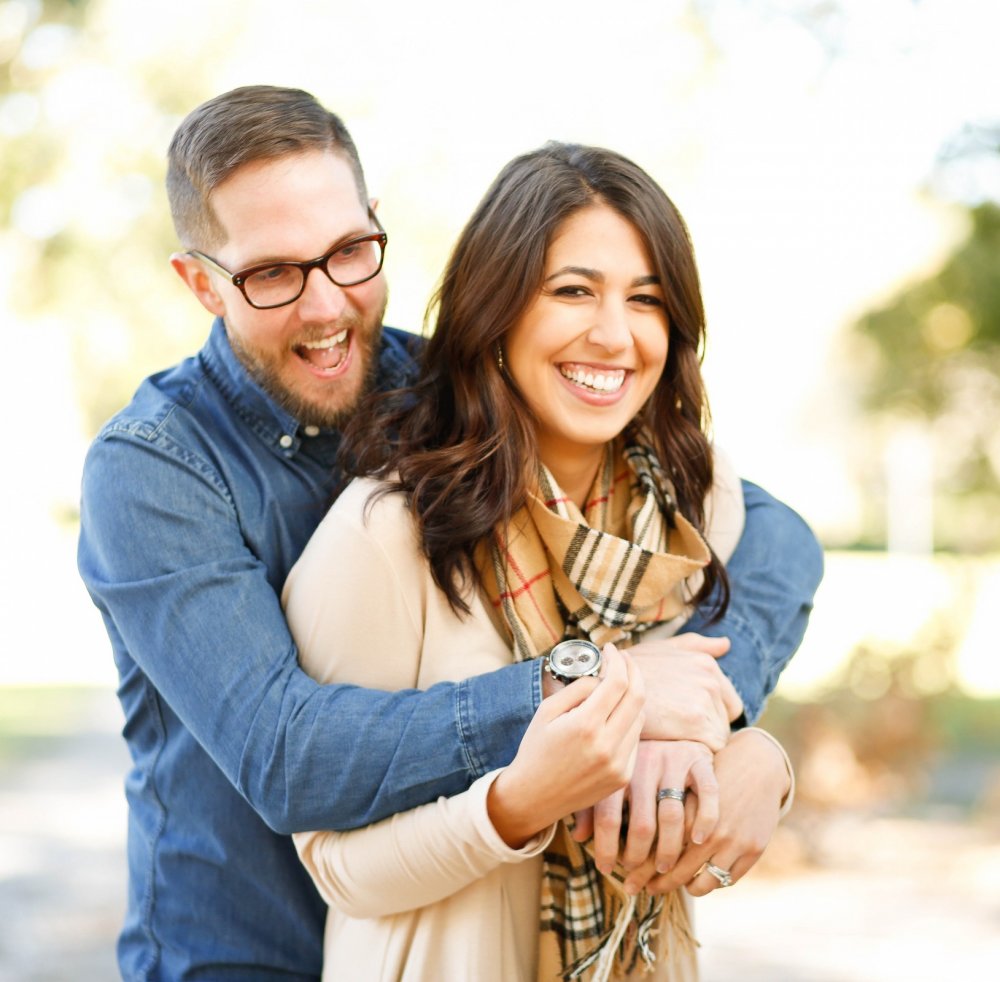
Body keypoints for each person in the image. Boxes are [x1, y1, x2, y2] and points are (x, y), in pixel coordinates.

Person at [77, 85, 823, 981]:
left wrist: (713, 720)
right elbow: (287, 753)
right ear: (200, 281)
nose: (325, 307)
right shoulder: (155, 468)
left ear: (375, 228)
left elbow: (774, 536)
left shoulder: (447, 390)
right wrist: (588, 690)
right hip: (239, 953)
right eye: (272, 273)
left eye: (350, 252)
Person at [282, 142, 798, 981]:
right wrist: (519, 801)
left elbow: (708, 696)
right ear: (499, 312)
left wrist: (759, 760)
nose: (614, 334)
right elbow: (336, 863)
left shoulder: (691, 505)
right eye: (572, 292)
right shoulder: (387, 535)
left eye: (646, 299)